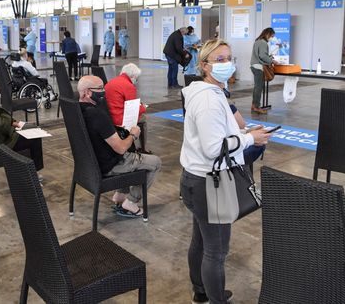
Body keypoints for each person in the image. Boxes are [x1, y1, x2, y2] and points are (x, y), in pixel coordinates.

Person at [180, 39, 271, 304]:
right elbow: (213, 148)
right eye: (219, 59)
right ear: (204, 65)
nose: (226, 63)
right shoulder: (209, 100)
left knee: (201, 241)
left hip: (195, 180)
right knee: (216, 252)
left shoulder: (206, 93)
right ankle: (216, 299)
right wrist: (250, 140)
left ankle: (201, 292)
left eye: (229, 58)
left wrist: (243, 133)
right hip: (210, 184)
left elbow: (218, 135)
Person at [78, 75, 161, 217]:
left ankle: (120, 195)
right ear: (87, 92)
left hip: (91, 163)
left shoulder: (77, 110)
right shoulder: (97, 115)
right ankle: (131, 202)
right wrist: (134, 134)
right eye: (100, 88)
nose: (103, 91)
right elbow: (121, 148)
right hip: (110, 166)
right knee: (155, 162)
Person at [104, 63, 151, 154]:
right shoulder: (129, 86)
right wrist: (143, 107)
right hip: (120, 119)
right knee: (143, 119)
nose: (136, 81)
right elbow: (133, 110)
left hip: (109, 116)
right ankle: (143, 148)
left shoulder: (111, 82)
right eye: (136, 79)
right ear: (133, 76)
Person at [250, 27, 277, 114]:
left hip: (254, 66)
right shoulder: (263, 43)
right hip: (259, 67)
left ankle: (254, 105)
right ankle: (256, 107)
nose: (271, 38)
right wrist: (272, 60)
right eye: (271, 36)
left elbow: (260, 55)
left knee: (257, 87)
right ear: (268, 34)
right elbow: (262, 56)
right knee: (259, 87)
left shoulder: (258, 41)